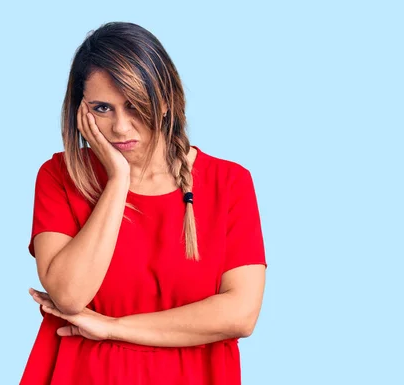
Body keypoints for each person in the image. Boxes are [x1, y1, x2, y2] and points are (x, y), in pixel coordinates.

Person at [20, 21, 267, 384]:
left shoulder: (229, 183)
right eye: (103, 108)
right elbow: (70, 295)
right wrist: (119, 180)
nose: (121, 127)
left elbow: (240, 315)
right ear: (81, 110)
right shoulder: (59, 175)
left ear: (165, 101)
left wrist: (113, 328)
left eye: (136, 105)